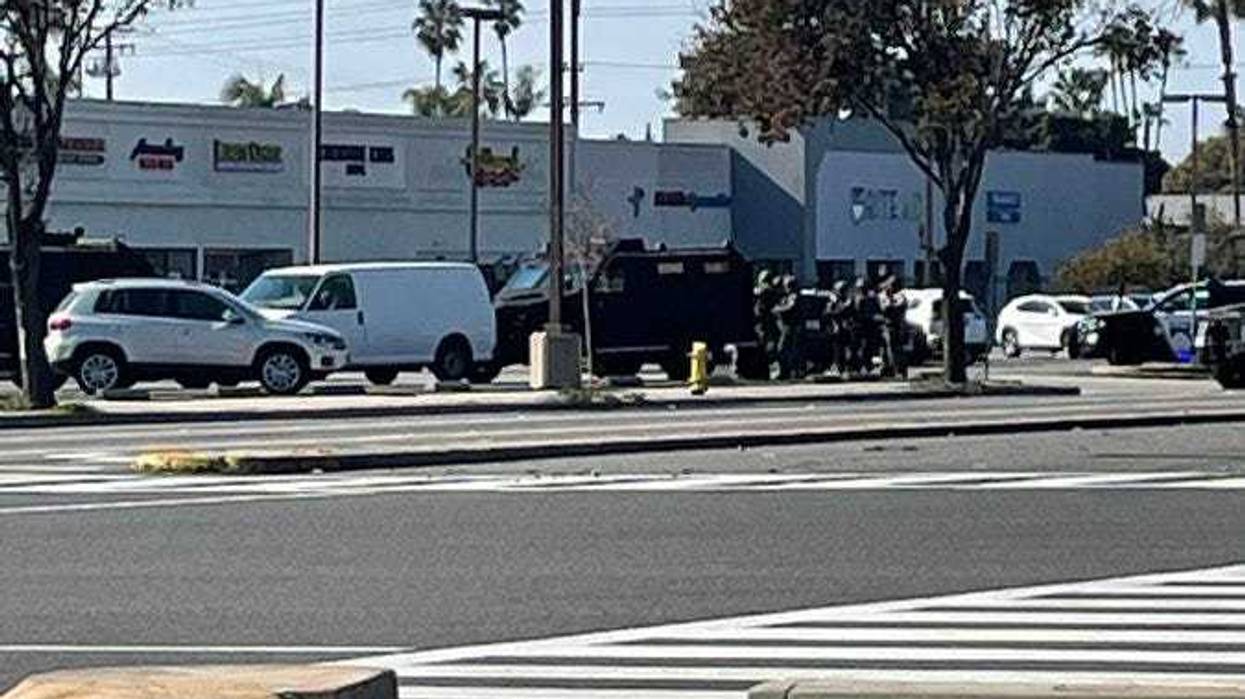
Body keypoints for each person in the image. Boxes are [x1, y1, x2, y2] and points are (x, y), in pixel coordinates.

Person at [773, 275, 804, 379]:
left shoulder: (794, 296)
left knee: (783, 349)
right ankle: (786, 371)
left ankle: (788, 372)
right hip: (786, 327)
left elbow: (790, 308)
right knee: (784, 350)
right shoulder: (787, 297)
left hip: (791, 327)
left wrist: (778, 309)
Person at [879, 275, 908, 379]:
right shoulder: (883, 296)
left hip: (897, 326)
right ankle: (887, 370)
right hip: (886, 326)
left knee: (896, 349)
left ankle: (900, 370)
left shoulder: (900, 296)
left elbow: (896, 308)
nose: (890, 287)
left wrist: (890, 301)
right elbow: (883, 308)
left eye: (891, 285)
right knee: (886, 349)